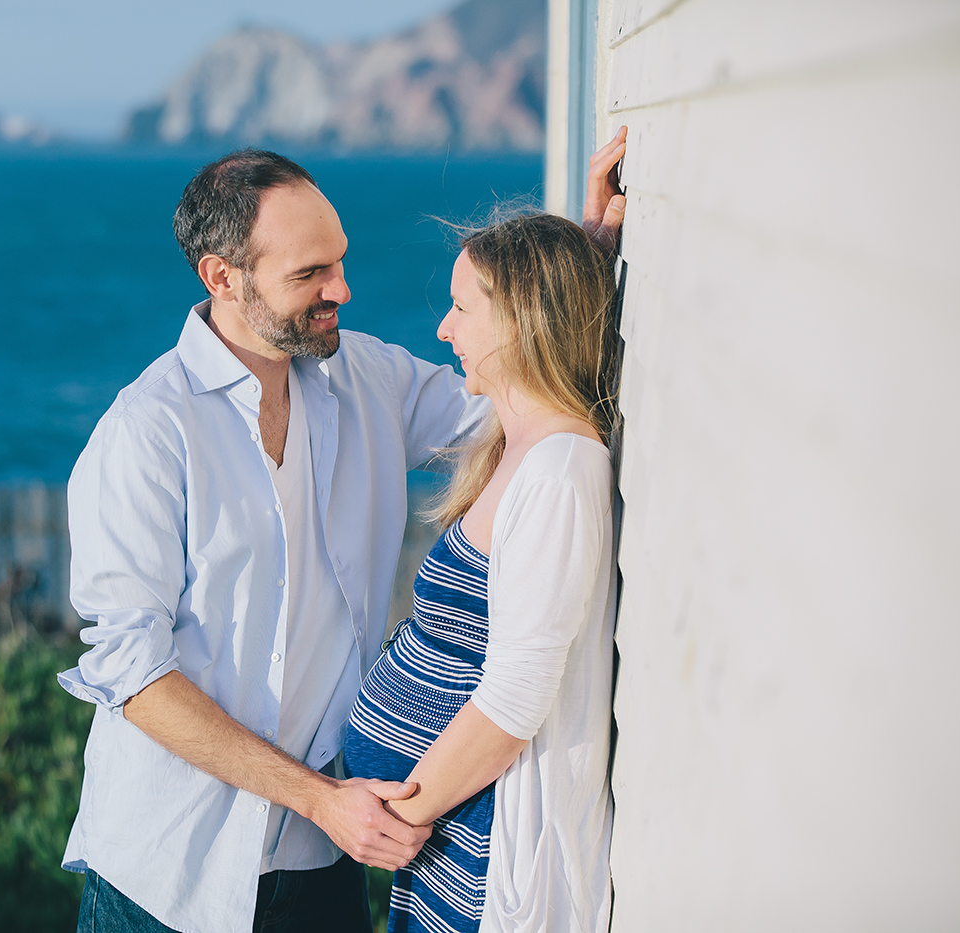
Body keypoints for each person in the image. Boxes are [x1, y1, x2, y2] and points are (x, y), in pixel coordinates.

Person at [59, 132, 627, 933]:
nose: (344, 288)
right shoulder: (146, 433)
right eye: (310, 274)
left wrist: (574, 269)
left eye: (339, 260)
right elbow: (133, 675)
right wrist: (321, 801)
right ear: (222, 278)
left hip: (324, 870)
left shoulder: (370, 377)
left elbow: (523, 388)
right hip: (172, 873)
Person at [341, 201, 625, 930]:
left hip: (481, 849)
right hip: (449, 842)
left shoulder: (560, 471)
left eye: (462, 307)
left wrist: (402, 813)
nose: (444, 328)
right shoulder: (516, 443)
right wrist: (586, 242)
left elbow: (516, 695)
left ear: (520, 321)